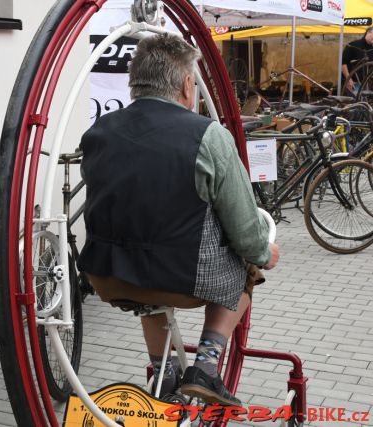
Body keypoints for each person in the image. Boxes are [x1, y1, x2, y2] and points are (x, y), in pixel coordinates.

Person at [77, 33, 279, 407]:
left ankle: (162, 370)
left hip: (107, 276)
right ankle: (205, 366)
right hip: (182, 279)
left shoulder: (98, 132)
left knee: (143, 265)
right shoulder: (208, 135)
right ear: (188, 84)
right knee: (246, 262)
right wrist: (262, 252)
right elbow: (243, 223)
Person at [342, 27, 373, 94]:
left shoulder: (372, 49)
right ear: (368, 33)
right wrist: (348, 80)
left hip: (367, 84)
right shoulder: (352, 45)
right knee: (356, 103)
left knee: (365, 104)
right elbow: (343, 63)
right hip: (354, 83)